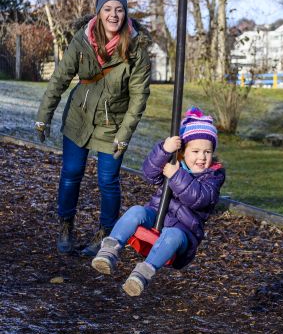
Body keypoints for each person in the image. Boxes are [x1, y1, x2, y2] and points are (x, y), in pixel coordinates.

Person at [35, 0, 152, 256]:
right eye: (108, 9)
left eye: (119, 9)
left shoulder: (136, 49)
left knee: (108, 180)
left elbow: (138, 97)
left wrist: (124, 135)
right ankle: (66, 225)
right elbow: (60, 79)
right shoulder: (83, 40)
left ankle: (105, 233)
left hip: (113, 124)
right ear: (99, 12)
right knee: (71, 172)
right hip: (79, 117)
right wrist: (44, 115)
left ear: (125, 13)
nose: (113, 14)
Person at [91, 108, 226, 296]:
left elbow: (198, 198)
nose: (202, 157)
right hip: (156, 219)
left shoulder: (213, 177)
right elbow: (149, 173)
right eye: (195, 151)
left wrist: (176, 175)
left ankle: (142, 275)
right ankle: (109, 250)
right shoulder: (173, 163)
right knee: (137, 211)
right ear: (182, 151)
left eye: (207, 152)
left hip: (183, 235)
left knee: (172, 234)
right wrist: (164, 150)